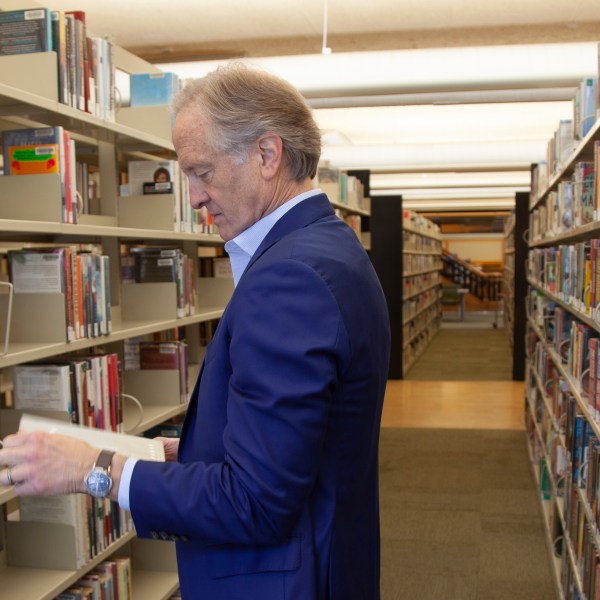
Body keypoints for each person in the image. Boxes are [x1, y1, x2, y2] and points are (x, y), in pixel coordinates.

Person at [0, 63, 391, 600]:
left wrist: (96, 469)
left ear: (267, 155)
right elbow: (304, 445)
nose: (195, 196)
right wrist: (200, 451)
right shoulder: (330, 249)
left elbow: (254, 502)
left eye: (202, 172)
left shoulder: (289, 279)